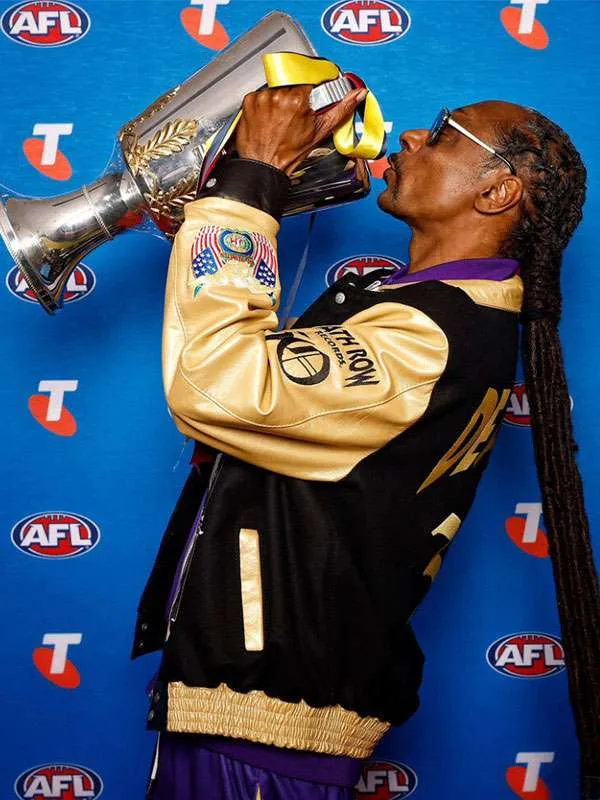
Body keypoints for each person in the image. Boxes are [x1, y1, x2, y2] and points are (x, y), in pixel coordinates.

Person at [132, 86, 600, 799]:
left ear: (498, 192)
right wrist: (246, 195)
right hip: (252, 707)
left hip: (266, 729)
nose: (411, 136)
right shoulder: (418, 310)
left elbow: (219, 385)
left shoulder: (426, 339)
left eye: (444, 133)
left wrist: (251, 182)